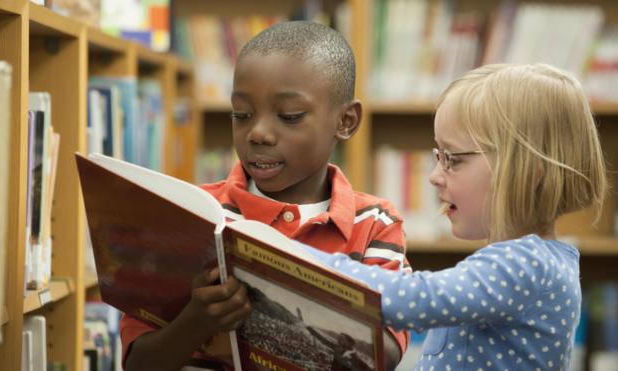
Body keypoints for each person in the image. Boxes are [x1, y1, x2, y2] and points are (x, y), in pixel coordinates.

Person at [122, 21, 411, 371]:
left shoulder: (375, 226)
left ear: (345, 121)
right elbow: (138, 363)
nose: (257, 133)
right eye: (241, 115)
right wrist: (197, 321)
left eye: (289, 117)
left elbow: (384, 355)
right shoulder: (190, 215)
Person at [300, 63, 608, 370]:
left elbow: (413, 299)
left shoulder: (526, 264)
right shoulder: (534, 262)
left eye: (453, 160)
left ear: (527, 175)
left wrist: (298, 258)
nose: (434, 177)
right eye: (438, 156)